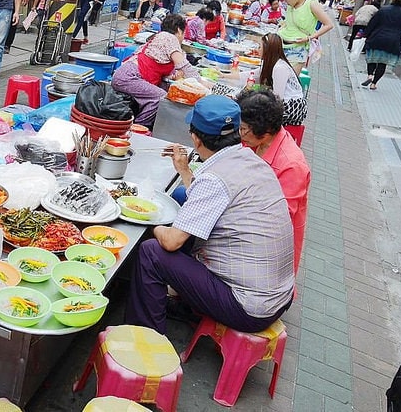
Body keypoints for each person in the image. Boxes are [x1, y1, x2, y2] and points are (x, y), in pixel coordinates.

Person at [124, 95, 295, 334]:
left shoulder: (215, 179)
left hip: (249, 308)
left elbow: (172, 242)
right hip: (277, 297)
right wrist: (184, 170)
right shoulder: (251, 161)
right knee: (184, 196)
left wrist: (152, 222)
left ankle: (144, 335)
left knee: (152, 252)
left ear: (195, 138)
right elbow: (205, 197)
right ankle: (183, 300)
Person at [236, 88, 311, 275]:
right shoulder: (253, 141)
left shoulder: (292, 166)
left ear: (266, 132)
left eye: (243, 129)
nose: (239, 133)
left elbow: (277, 220)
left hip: (266, 248)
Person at [111, 14, 201, 127]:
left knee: (165, 91)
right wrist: (200, 84)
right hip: (129, 77)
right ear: (179, 30)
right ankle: (138, 129)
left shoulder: (159, 38)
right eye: (183, 33)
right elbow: (183, 65)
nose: (183, 38)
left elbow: (163, 69)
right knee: (160, 97)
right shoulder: (169, 38)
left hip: (125, 75)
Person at [277, 0, 334, 74]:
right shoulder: (291, 5)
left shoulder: (311, 4)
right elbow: (288, 23)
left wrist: (309, 38)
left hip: (297, 50)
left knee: (289, 82)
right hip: (280, 45)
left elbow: (329, 25)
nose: (285, 2)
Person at [362, 0, 401, 90]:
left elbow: (373, 23)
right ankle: (374, 84)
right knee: (382, 63)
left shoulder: (383, 10)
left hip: (377, 37)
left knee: (372, 58)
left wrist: (365, 35)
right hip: (392, 41)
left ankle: (370, 75)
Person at [257, 33, 307, 125]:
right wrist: (226, 75)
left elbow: (277, 98)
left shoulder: (279, 68)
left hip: (291, 109)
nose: (257, 50)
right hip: (287, 105)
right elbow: (254, 74)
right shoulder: (273, 63)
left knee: (253, 113)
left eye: (260, 47)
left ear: (267, 50)